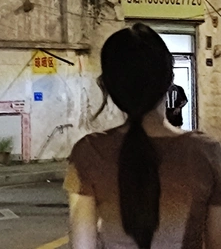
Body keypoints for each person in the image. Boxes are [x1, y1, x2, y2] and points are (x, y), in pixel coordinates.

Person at [65, 23, 221, 249]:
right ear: (170, 79)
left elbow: (82, 244)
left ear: (109, 87)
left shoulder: (88, 152)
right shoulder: (207, 153)